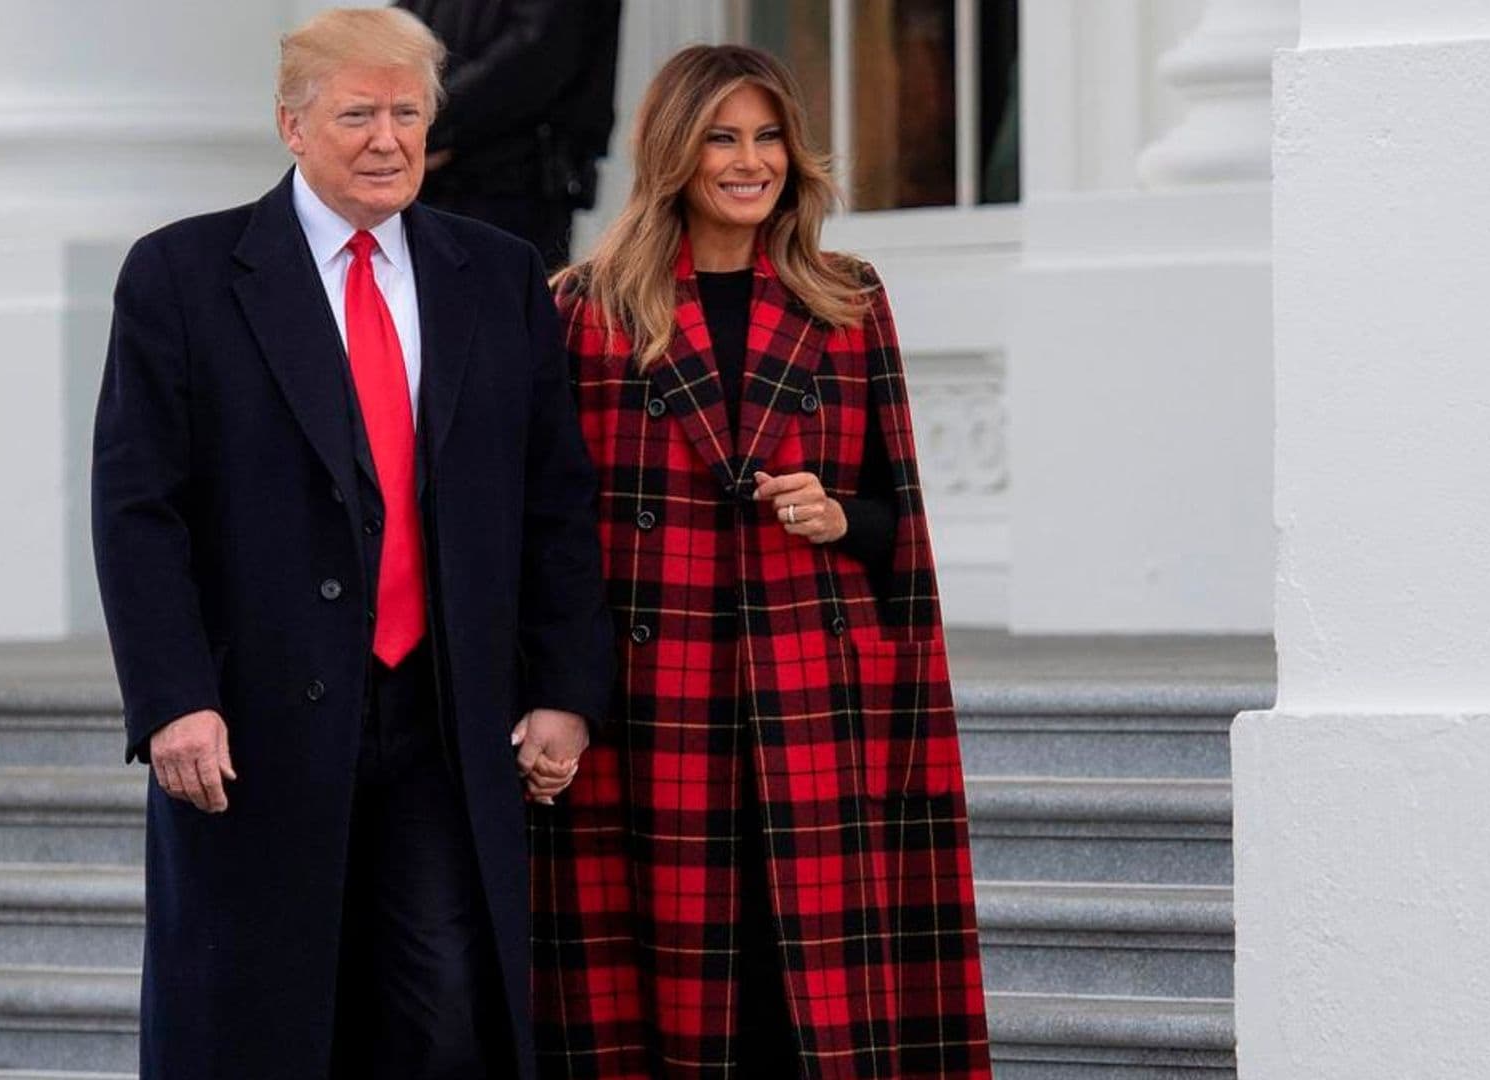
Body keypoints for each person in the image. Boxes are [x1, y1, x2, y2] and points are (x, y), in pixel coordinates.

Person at [90, 9, 612, 1079]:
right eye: (358, 114)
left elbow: (554, 499)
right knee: (263, 1021)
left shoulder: (500, 274)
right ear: (291, 125)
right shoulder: (181, 276)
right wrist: (172, 696)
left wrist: (565, 686)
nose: (389, 139)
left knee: (440, 1014)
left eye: (408, 113)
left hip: (445, 709)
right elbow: (138, 508)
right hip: (251, 721)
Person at [530, 45, 993, 1078]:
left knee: (809, 1000)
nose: (752, 162)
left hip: (812, 696)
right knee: (667, 994)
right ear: (674, 155)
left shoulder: (845, 296)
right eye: (722, 138)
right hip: (655, 700)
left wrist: (838, 518)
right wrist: (551, 689)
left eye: (769, 135)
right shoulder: (587, 308)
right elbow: (547, 528)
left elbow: (895, 520)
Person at [395, 0, 623, 269]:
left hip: (510, 187)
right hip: (435, 182)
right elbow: (399, 29)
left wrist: (426, 123)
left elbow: (539, 53)